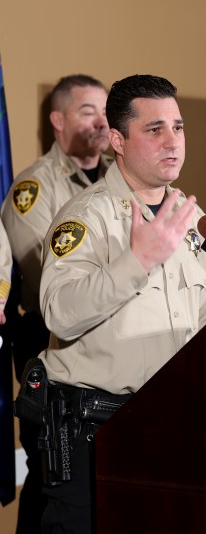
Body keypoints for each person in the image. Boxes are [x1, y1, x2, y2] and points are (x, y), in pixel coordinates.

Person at [36, 74, 206, 533]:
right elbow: (60, 312)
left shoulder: (191, 219)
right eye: (154, 129)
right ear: (117, 140)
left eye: (178, 128)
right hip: (98, 432)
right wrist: (137, 260)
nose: (172, 141)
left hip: (177, 428)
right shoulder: (85, 218)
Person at [1, 74, 113, 534]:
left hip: (107, 341)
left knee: (101, 481)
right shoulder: (33, 189)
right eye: (88, 111)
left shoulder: (119, 177)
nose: (102, 121)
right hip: (47, 341)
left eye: (107, 111)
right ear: (58, 120)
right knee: (55, 478)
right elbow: (53, 279)